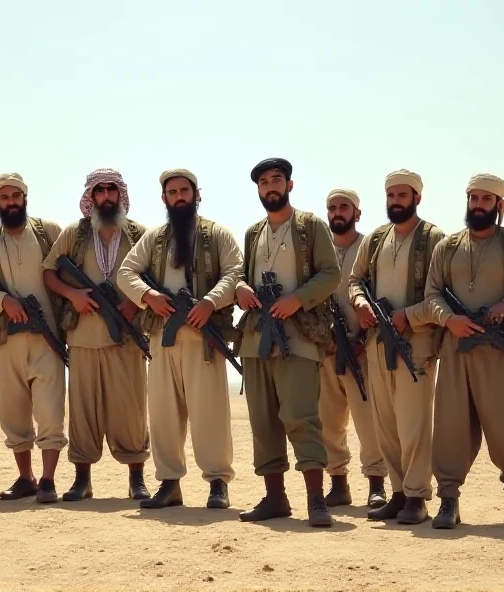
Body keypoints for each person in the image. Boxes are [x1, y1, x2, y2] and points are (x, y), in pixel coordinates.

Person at [424, 173, 504, 528]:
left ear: (499, 205)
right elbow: (432, 294)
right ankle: (448, 501)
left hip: (497, 351)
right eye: (474, 199)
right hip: (456, 348)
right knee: (450, 427)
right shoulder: (446, 247)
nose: (478, 205)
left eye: (486, 200)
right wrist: (449, 320)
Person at [117, 168, 241, 510]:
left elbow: (235, 272)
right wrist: (149, 297)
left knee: (210, 413)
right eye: (172, 192)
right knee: (163, 414)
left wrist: (210, 302)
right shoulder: (155, 237)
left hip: (204, 339)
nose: (179, 196)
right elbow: (126, 273)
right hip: (162, 338)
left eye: (185, 190)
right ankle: (169, 483)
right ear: (164, 198)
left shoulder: (217, 234)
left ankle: (218, 483)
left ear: (196, 194)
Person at [234, 158, 341, 527]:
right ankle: (275, 498)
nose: (270, 187)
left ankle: (316, 500)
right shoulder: (252, 233)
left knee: (301, 418)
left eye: (276, 180)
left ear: (289, 185)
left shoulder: (310, 226)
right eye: (263, 182)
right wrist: (240, 288)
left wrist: (298, 299)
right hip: (256, 338)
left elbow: (331, 274)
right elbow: (239, 275)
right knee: (263, 422)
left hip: (299, 336)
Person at [41, 168, 151, 501]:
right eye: (99, 190)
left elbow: (154, 279)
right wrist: (73, 295)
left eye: (111, 190)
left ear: (120, 194)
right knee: (83, 410)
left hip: (127, 338)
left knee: (131, 410)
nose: (106, 196)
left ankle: (136, 478)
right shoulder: (76, 232)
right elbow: (48, 272)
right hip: (83, 337)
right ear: (91, 195)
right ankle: (81, 479)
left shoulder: (139, 234)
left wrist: (135, 305)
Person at [348, 169, 444, 524]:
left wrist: (410, 316)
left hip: (415, 344)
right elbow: (355, 280)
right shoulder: (375, 239)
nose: (396, 201)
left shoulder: (436, 240)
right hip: (376, 343)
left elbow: (441, 296)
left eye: (402, 196)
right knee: (385, 422)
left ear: (417, 197)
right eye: (391, 196)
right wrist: (359, 302)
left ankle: (417, 497)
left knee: (414, 423)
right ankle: (399, 493)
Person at [0, 172, 67, 504]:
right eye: (4, 198)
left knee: (50, 411)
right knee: (14, 412)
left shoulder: (49, 232)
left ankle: (48, 479)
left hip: (48, 338)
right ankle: (26, 478)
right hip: (7, 339)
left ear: (25, 197)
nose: (11, 202)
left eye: (16, 196)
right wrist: (3, 302)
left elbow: (68, 269)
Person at [319, 188, 387, 509]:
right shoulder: (319, 253)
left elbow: (379, 299)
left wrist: (362, 338)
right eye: (332, 207)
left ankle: (376, 484)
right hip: (325, 349)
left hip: (361, 349)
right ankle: (338, 485)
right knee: (328, 422)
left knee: (368, 420)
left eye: (344, 207)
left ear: (357, 213)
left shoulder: (370, 250)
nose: (337, 212)